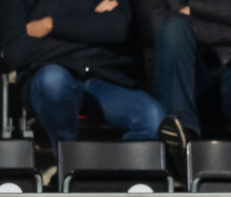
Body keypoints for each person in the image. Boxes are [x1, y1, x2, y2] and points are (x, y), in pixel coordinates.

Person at [132, 0, 231, 173]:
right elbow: (155, 26)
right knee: (174, 26)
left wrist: (192, 7)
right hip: (181, 79)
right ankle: (182, 144)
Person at [0, 0, 165, 153]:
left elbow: (117, 27)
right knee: (54, 81)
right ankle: (67, 162)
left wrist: (50, 25)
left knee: (152, 117)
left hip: (102, 78)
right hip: (49, 79)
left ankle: (113, 175)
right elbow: (16, 50)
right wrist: (91, 23)